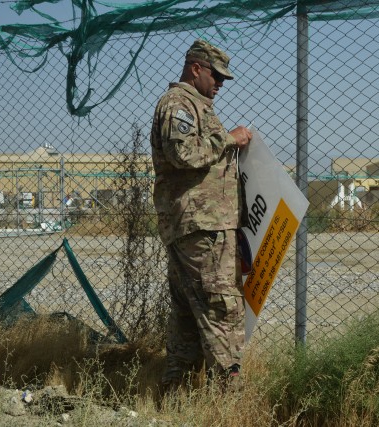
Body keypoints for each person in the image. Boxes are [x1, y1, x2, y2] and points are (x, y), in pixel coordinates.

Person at [150, 39, 252, 391]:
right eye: (216, 76)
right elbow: (183, 154)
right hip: (200, 225)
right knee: (219, 306)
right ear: (196, 68)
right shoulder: (179, 103)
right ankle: (229, 393)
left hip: (198, 224)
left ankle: (175, 392)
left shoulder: (195, 104)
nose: (221, 84)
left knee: (188, 314)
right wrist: (228, 139)